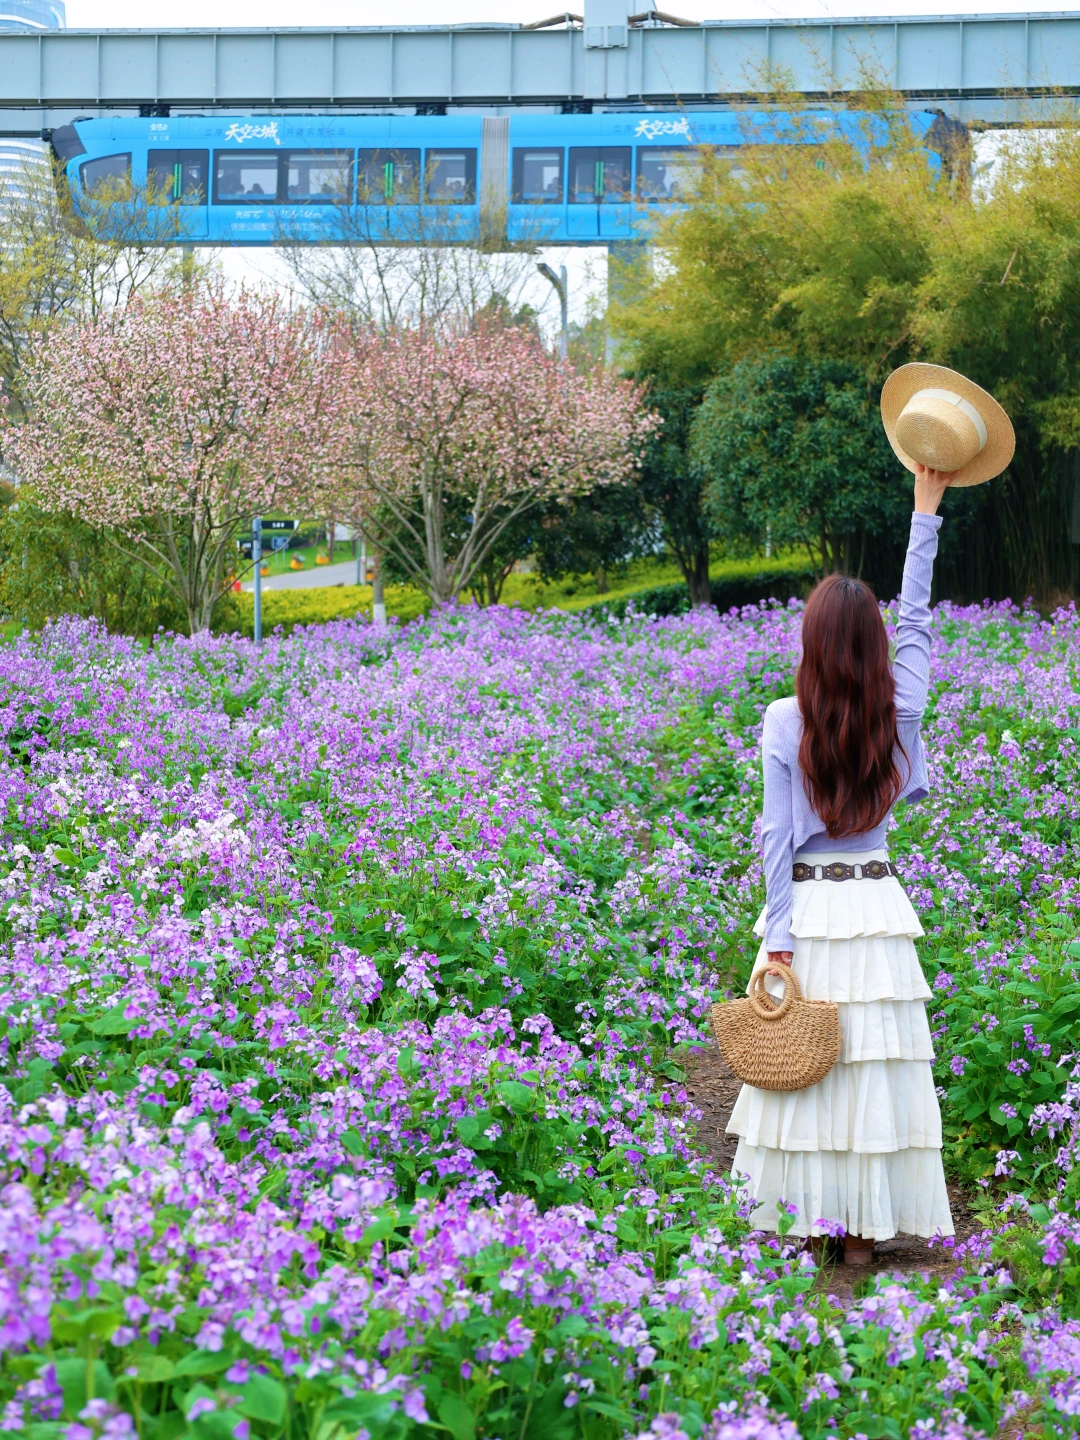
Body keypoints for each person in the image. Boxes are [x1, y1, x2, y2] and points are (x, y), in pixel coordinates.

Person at [726, 462, 956, 1266]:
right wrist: (924, 513)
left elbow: (775, 837)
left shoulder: (783, 719)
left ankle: (814, 1220)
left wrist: (779, 936)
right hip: (876, 904)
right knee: (870, 1071)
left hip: (813, 907)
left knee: (806, 1068)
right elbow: (919, 619)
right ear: (875, 646)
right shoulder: (904, 708)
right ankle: (860, 1234)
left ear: (811, 643)